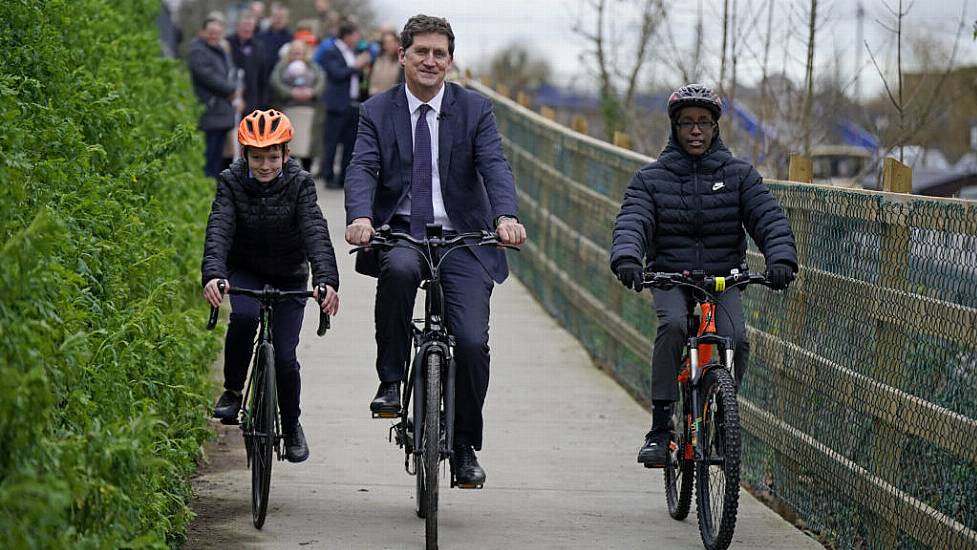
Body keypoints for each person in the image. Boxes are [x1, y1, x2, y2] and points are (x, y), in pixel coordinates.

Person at [344, 15, 527, 487]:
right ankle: (390, 380)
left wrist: (505, 216)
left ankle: (464, 445)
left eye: (439, 53)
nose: (430, 61)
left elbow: (494, 166)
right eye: (420, 51)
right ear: (402, 55)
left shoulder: (475, 110)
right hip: (403, 231)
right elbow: (362, 167)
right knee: (400, 271)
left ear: (450, 60)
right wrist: (361, 217)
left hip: (464, 236)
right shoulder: (376, 111)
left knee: (470, 342)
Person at [610, 83, 797, 467]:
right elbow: (633, 220)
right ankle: (660, 429)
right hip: (669, 276)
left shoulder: (740, 176)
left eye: (704, 123)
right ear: (675, 129)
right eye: (687, 123)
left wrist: (780, 259)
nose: (696, 130)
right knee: (675, 326)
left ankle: (722, 410)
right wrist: (628, 256)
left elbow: (769, 219)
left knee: (737, 339)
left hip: (722, 278)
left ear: (715, 129)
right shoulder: (651, 179)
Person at [202, 109, 341, 463]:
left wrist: (326, 280)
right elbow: (219, 229)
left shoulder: (300, 183)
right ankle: (233, 391)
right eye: (258, 157)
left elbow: (315, 232)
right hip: (246, 271)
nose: (265, 165)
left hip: (289, 275)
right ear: (245, 155)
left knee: (284, 356)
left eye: (273, 157)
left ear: (286, 155)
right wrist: (214, 275)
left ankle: (292, 425)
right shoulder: (231, 182)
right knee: (245, 318)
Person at [317, 20, 371, 189]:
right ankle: (328, 176)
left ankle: (343, 177)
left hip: (352, 104)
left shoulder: (352, 52)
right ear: (347, 35)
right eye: (355, 35)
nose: (358, 39)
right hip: (337, 104)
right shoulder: (331, 51)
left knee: (350, 143)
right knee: (332, 142)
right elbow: (337, 74)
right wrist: (357, 66)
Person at [187, 16, 240, 178]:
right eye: (211, 32)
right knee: (209, 156)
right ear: (202, 32)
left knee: (219, 156)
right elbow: (207, 76)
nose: (214, 35)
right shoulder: (198, 51)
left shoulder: (221, 50)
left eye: (217, 32)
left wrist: (235, 89)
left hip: (222, 111)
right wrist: (230, 89)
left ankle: (214, 187)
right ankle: (207, 187)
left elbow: (231, 73)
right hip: (210, 110)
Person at [270, 40, 326, 171]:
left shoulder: (314, 66)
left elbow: (321, 81)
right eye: (294, 49)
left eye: (300, 49)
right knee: (290, 145)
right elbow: (275, 81)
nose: (297, 51)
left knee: (308, 146)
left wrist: (312, 92)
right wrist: (290, 92)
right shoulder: (281, 66)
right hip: (288, 111)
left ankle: (306, 174)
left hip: (310, 112)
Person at [227, 12, 268, 115]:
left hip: (252, 101)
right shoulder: (227, 43)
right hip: (230, 97)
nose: (247, 28)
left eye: (250, 25)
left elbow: (263, 77)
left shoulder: (259, 47)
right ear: (237, 26)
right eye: (244, 25)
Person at [367, 28, 403, 98]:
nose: (389, 45)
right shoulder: (378, 60)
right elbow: (372, 80)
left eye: (392, 42)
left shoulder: (402, 62)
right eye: (386, 42)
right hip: (376, 98)